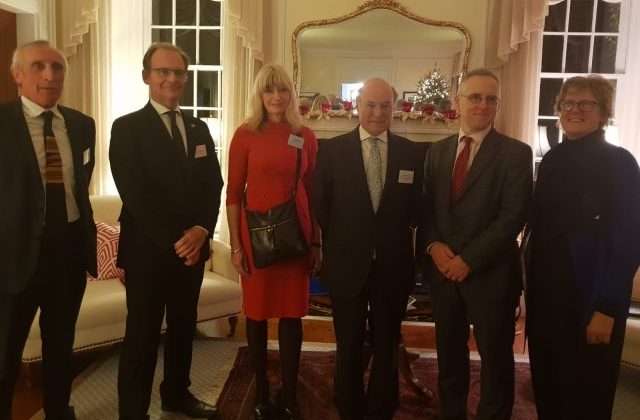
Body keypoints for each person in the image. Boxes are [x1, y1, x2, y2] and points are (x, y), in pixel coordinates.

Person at [109, 42, 223, 420]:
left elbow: (213, 184)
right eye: (163, 72)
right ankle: (133, 412)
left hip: (191, 251)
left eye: (178, 73)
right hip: (148, 253)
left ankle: (177, 394)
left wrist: (203, 230)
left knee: (182, 329)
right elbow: (136, 193)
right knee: (141, 338)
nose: (171, 79)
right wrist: (181, 240)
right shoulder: (127, 128)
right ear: (147, 77)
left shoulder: (198, 126)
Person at [418, 68, 532, 420]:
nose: (483, 104)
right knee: (449, 357)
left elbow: (514, 216)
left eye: (491, 99)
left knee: (496, 361)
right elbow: (427, 208)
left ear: (497, 105)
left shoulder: (515, 153)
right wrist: (434, 246)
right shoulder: (436, 152)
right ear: (458, 101)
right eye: (475, 97)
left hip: (491, 275)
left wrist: (468, 260)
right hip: (443, 275)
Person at [525, 75, 640, 420]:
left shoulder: (621, 163)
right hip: (547, 298)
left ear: (603, 111)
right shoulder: (553, 159)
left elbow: (629, 241)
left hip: (591, 300)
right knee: (548, 385)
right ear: (559, 110)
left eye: (586, 104)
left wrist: (607, 308)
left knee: (586, 394)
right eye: (568, 103)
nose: (575, 110)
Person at [313, 78, 423, 419]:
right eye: (371, 105)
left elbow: (417, 210)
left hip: (394, 265)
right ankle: (348, 405)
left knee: (387, 342)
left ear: (395, 108)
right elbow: (322, 206)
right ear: (357, 107)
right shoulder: (331, 151)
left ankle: (381, 406)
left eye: (385, 105)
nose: (378, 113)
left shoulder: (413, 153)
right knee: (348, 342)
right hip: (347, 263)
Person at [0, 40, 97, 420]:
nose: (50, 75)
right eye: (38, 66)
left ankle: (59, 411)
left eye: (57, 67)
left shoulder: (81, 125)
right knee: (6, 354)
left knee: (61, 346)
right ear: (17, 75)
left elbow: (79, 186)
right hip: (14, 260)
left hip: (68, 254)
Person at [226, 64, 320, 420]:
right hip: (256, 239)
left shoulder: (305, 135)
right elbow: (233, 194)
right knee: (257, 316)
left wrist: (317, 243)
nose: (277, 97)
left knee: (292, 316)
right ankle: (262, 393)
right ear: (260, 95)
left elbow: (312, 191)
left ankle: (290, 395)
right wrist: (235, 246)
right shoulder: (245, 134)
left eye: (282, 90)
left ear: (291, 94)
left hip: (297, 237)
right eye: (269, 91)